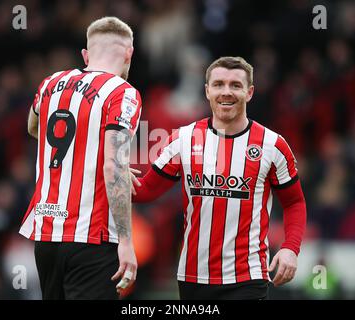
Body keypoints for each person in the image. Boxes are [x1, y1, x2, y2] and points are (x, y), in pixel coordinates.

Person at [131, 56, 306, 300]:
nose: (226, 92)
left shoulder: (272, 145)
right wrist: (109, 174)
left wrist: (290, 248)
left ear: (250, 92)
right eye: (219, 84)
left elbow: (294, 202)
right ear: (207, 91)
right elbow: (145, 191)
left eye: (235, 85)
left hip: (247, 277)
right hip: (192, 277)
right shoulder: (183, 139)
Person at [19, 17, 141, 299]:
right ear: (129, 53)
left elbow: (32, 127)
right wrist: (126, 241)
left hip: (47, 236)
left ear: (86, 54)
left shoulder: (51, 82)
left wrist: (82, 153)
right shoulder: (123, 93)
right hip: (92, 238)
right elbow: (114, 165)